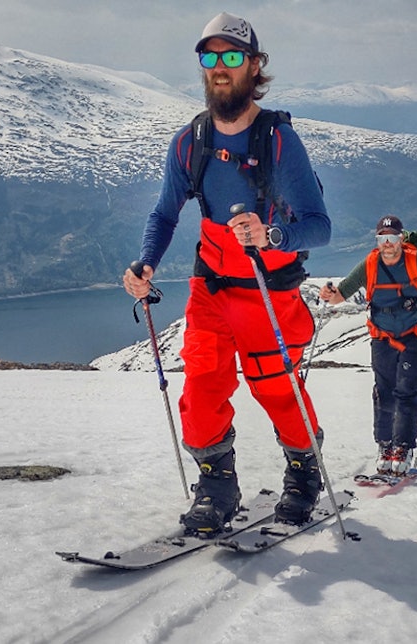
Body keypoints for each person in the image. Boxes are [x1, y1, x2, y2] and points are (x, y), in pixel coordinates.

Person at [122, 12, 331, 533]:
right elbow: (164, 215)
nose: (220, 66)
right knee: (201, 388)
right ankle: (217, 487)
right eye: (210, 56)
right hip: (211, 288)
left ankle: (304, 475)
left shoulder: (277, 141)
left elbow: (318, 226)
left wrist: (271, 235)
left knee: (276, 388)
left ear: (254, 66)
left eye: (232, 56)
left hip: (268, 289)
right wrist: (146, 263)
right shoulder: (188, 142)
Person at [320, 216, 417, 475]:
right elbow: (341, 294)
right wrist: (329, 294)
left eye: (392, 237)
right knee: (383, 391)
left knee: (407, 390)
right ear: (377, 240)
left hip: (412, 335)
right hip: (381, 336)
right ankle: (385, 445)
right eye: (382, 238)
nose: (387, 243)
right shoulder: (369, 265)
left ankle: (402, 447)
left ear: (400, 239)